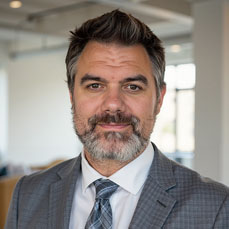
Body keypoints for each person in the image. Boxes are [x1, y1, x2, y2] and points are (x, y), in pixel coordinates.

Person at [5, 10, 229, 229]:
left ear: (159, 99)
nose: (113, 104)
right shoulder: (27, 193)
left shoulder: (216, 206)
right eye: (95, 86)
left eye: (132, 87)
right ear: (72, 95)